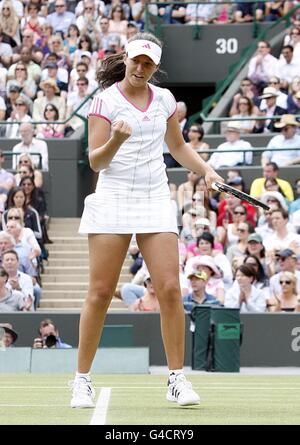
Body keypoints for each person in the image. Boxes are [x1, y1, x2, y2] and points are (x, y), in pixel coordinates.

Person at [71, 32, 223, 409]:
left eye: (148, 63)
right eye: (136, 60)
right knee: (101, 292)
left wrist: (206, 170)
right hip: (113, 196)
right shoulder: (104, 102)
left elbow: (177, 147)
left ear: (156, 66)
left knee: (171, 287)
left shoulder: (166, 100)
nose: (141, 68)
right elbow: (96, 161)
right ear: (126, 58)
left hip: (154, 195)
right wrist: (117, 141)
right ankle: (81, 380)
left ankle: (176, 378)